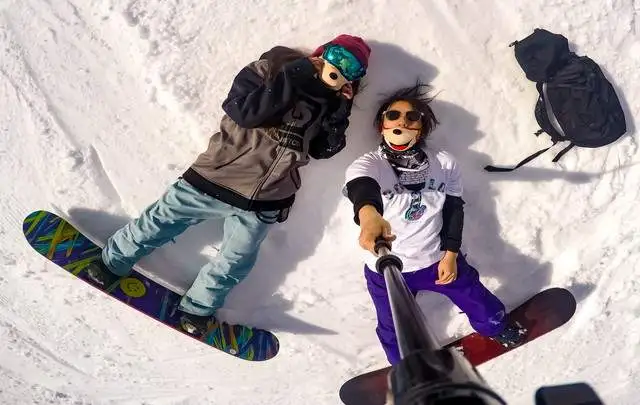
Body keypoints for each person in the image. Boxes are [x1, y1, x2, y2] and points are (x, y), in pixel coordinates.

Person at [87, 34, 371, 336]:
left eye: (352, 68)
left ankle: (198, 308)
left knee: (236, 261)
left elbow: (322, 150)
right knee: (159, 222)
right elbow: (244, 113)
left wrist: (340, 112)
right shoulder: (270, 69)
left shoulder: (331, 104)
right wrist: (296, 74)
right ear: (321, 54)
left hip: (267, 199)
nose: (340, 68)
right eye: (337, 57)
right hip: (215, 177)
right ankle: (112, 263)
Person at [342, 82, 525, 365]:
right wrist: (369, 216)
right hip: (387, 268)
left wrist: (450, 254)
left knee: (475, 297)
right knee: (395, 325)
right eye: (393, 115)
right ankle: (408, 366)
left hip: (436, 260)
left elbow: (453, 210)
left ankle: (496, 328)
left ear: (421, 128)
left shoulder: (444, 163)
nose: (402, 122)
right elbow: (362, 189)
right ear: (382, 125)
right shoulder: (369, 165)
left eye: (412, 117)